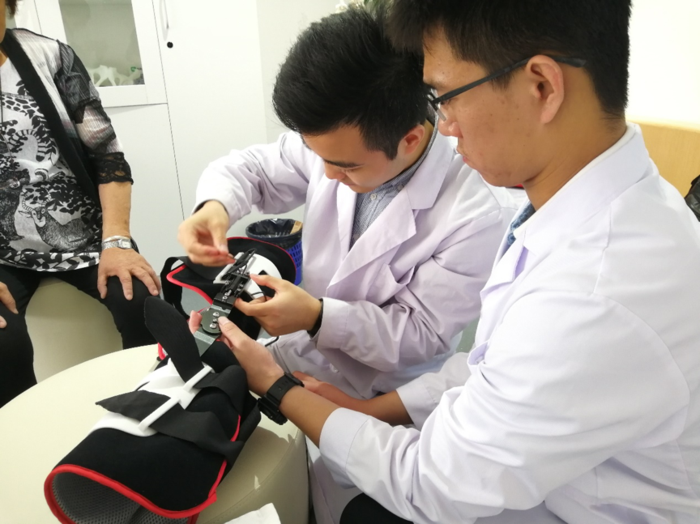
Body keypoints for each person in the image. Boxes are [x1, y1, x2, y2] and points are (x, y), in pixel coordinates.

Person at [190, 0, 700, 522]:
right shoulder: (584, 213)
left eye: (445, 96)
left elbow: (434, 482)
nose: (445, 125)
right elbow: (488, 364)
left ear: (541, 87)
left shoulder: (591, 288)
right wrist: (216, 207)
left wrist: (278, 384)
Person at [178, 6, 515, 401]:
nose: (327, 173)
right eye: (316, 155)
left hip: (385, 388)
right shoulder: (339, 141)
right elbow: (252, 168)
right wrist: (215, 207)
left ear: (409, 140)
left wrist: (317, 316)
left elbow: (420, 335)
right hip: (305, 352)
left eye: (346, 166)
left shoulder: (479, 213)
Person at [0, 0, 160, 408]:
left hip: (86, 236)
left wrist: (117, 241)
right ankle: (19, 431)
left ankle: (153, 413)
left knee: (144, 306)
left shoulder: (51, 57)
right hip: (5, 253)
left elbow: (106, 154)